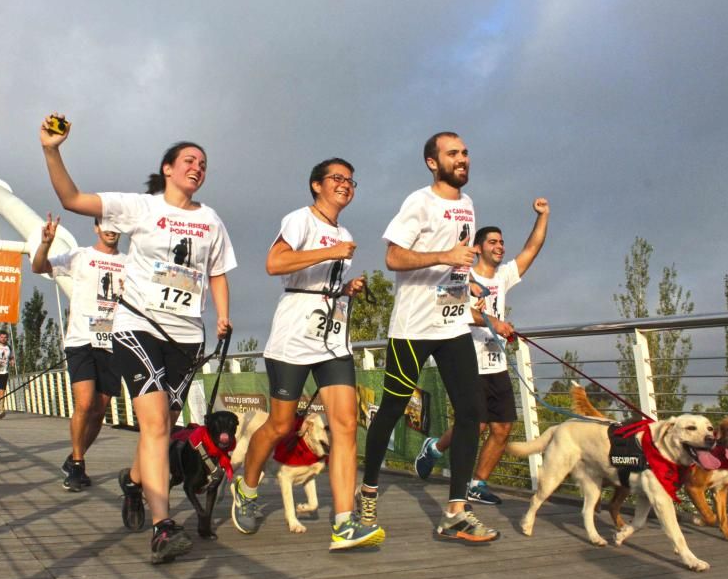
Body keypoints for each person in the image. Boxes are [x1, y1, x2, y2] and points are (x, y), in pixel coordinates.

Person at [40, 113, 236, 564]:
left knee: (164, 427)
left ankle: (132, 481)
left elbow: (218, 273)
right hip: (137, 327)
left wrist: (224, 315)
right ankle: (163, 526)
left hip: (186, 336)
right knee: (154, 425)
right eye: (189, 160)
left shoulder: (212, 221)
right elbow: (72, 199)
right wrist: (52, 150)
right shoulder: (142, 208)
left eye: (203, 163)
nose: (198, 167)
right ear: (167, 169)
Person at [230, 158, 386, 550]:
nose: (346, 185)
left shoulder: (344, 231)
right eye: (338, 178)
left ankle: (344, 523)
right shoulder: (301, 219)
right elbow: (274, 264)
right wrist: (329, 251)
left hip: (331, 340)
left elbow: (321, 280)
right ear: (317, 185)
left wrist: (346, 287)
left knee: (346, 424)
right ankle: (246, 490)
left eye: (351, 180)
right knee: (282, 426)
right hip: (293, 337)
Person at [359, 132, 499, 544]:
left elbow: (457, 260)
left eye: (466, 153)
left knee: (472, 411)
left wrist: (467, 282)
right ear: (432, 162)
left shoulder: (468, 205)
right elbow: (393, 258)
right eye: (453, 154)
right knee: (390, 411)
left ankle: (456, 511)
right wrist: (445, 257)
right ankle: (368, 490)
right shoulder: (419, 202)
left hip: (452, 324)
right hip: (413, 329)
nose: (462, 159)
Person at [414, 199, 550, 505]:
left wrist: (543, 216)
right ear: (478, 247)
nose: (500, 246)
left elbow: (532, 249)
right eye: (493, 241)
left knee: (501, 428)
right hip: (466, 359)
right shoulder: (460, 276)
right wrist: (493, 321)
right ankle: (435, 449)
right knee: (474, 425)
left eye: (502, 242)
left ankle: (478, 483)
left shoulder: (502, 276)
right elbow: (447, 308)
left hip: (496, 362)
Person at [31, 214, 126, 492]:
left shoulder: (129, 262)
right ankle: (78, 464)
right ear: (96, 227)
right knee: (84, 404)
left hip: (113, 341)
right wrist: (45, 243)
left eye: (115, 225)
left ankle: (75, 456)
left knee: (100, 410)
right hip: (81, 340)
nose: (110, 230)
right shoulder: (80, 256)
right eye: (105, 224)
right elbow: (39, 267)